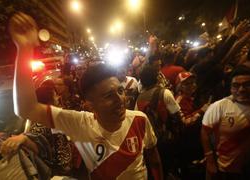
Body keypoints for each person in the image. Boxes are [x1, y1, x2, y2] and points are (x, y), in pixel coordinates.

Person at [10, 12, 163, 180]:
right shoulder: (80, 124)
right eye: (108, 96)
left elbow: (153, 158)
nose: (120, 100)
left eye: (120, 91)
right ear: (89, 105)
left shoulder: (140, 120)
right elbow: (26, 108)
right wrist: (24, 49)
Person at [201, 66, 250, 180]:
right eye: (236, 86)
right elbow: (205, 131)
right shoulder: (220, 106)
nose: (241, 89)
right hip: (227, 169)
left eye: (248, 84)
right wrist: (210, 161)